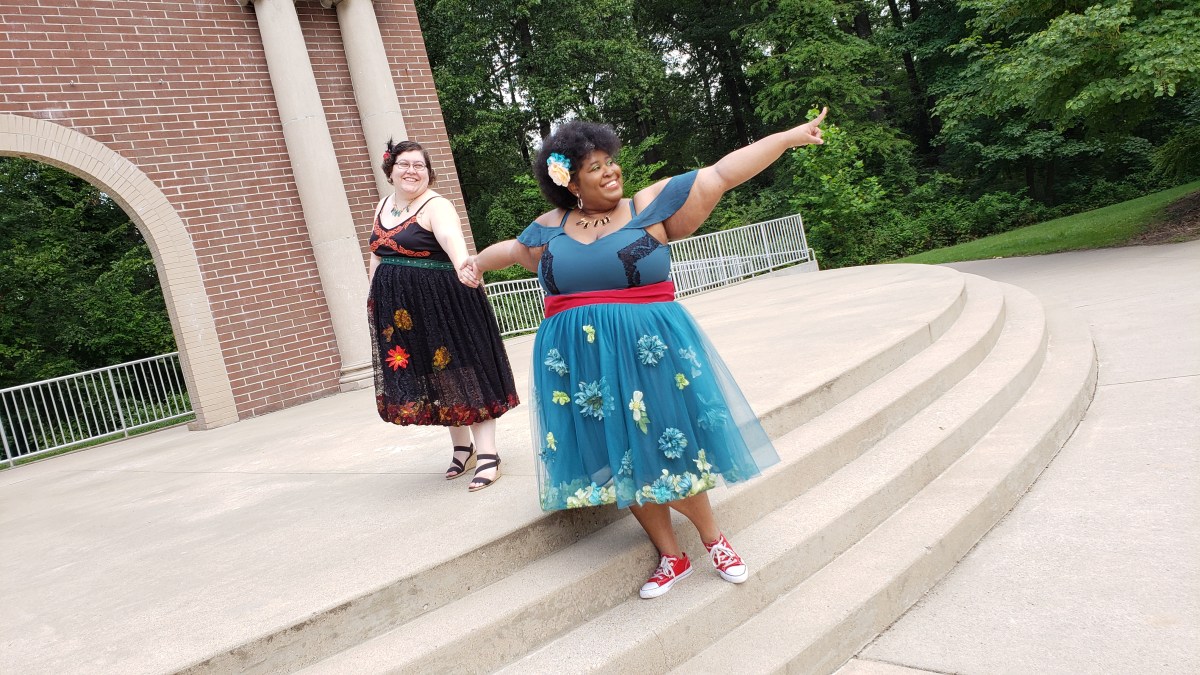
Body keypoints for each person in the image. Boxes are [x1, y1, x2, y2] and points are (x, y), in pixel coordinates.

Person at [460, 109, 828, 597]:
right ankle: (671, 557)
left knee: (667, 446)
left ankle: (714, 540)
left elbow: (721, 172)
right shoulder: (549, 227)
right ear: (570, 181)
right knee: (620, 458)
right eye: (595, 167)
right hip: (580, 364)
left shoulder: (647, 206)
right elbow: (509, 250)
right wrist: (474, 265)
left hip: (649, 352)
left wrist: (786, 137)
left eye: (611, 161)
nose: (611, 170)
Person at [368, 139, 519, 492]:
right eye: (404, 164)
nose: (411, 171)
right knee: (438, 377)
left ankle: (488, 454)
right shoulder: (384, 205)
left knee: (465, 372)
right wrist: (372, 295)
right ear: (391, 171)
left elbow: (454, 243)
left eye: (419, 165)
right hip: (404, 314)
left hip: (444, 305)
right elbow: (376, 252)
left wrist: (468, 269)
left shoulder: (437, 206)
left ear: (428, 172)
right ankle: (461, 448)